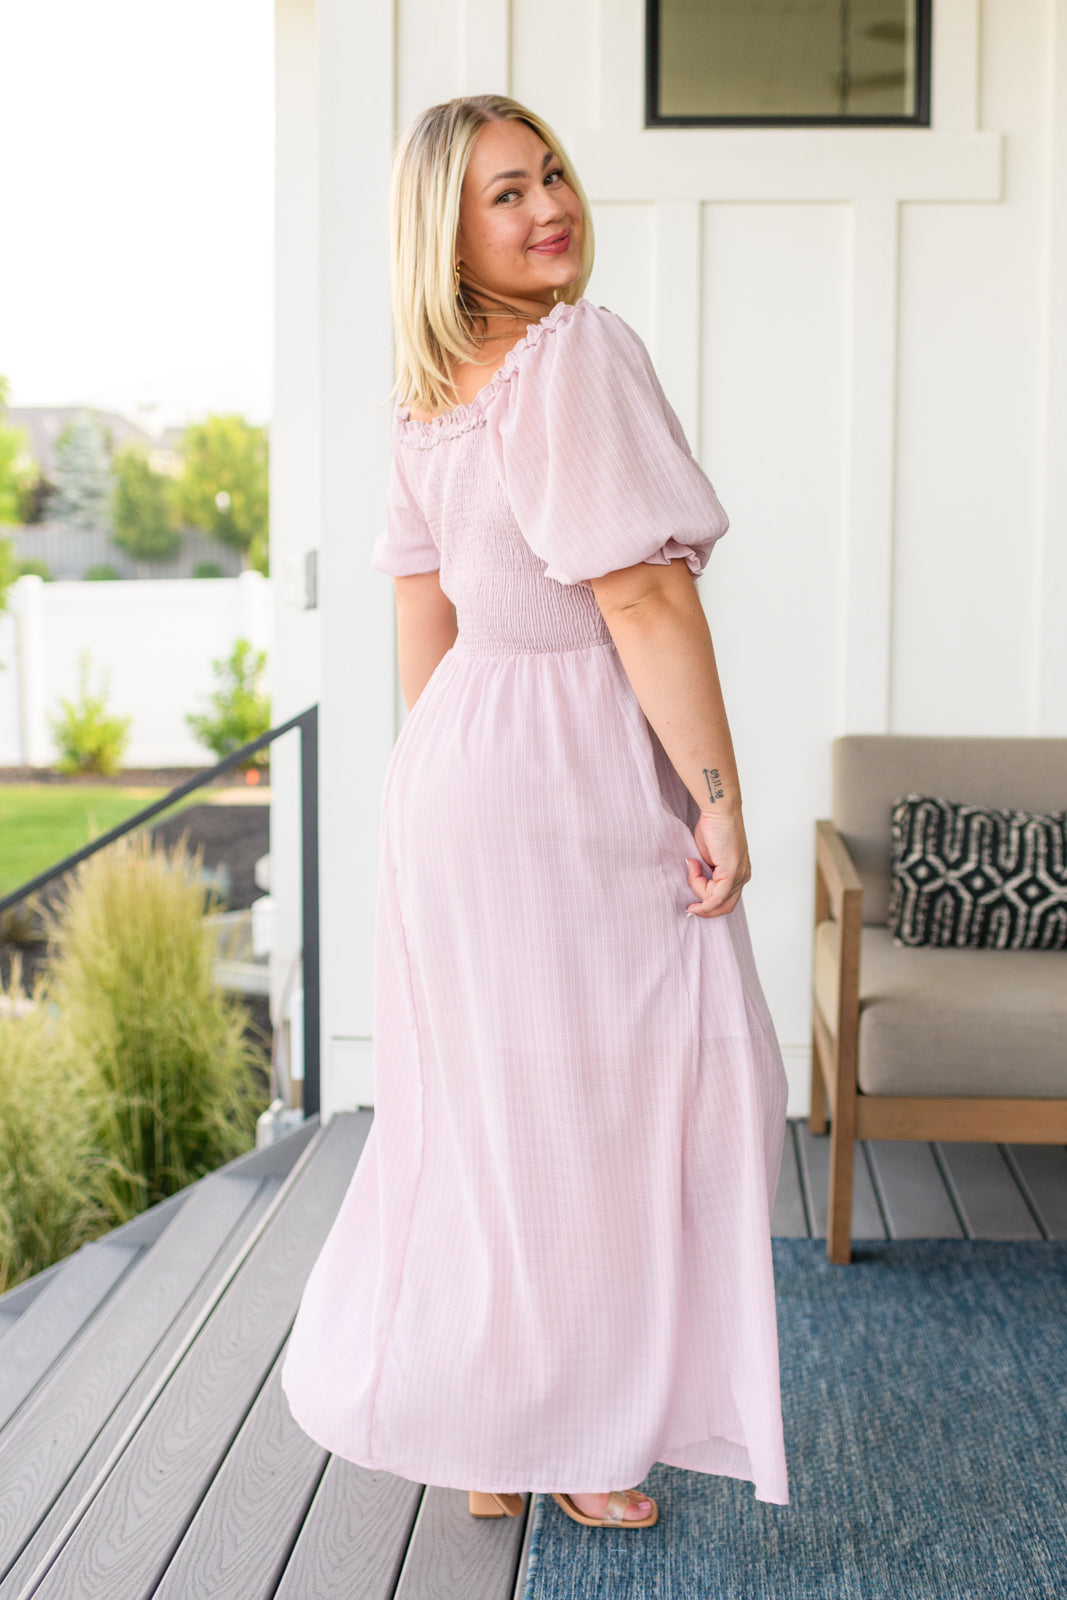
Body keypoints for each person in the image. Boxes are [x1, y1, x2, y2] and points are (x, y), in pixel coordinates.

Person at [281, 93, 790, 1532]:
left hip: (457, 768)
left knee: (495, 1109)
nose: (550, 204)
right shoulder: (572, 356)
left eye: (551, 173)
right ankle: (581, 1432)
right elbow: (642, 597)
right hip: (567, 770)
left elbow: (423, 616)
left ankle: (492, 1425)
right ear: (444, 231)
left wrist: (435, 789)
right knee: (627, 1103)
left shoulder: (430, 395)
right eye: (505, 192)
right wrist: (718, 799)